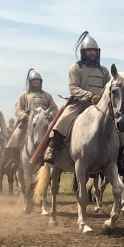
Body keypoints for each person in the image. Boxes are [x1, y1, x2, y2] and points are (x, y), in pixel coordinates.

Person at [44, 32, 111, 164]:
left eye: (94, 50)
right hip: (80, 104)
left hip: (100, 106)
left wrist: (102, 99)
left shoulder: (104, 70)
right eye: (89, 50)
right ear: (83, 52)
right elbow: (73, 88)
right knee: (63, 120)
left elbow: (108, 88)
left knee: (119, 124)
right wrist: (90, 96)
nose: (92, 53)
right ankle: (52, 148)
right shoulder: (76, 67)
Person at [6, 69, 58, 165]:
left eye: (37, 80)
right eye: (33, 80)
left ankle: (55, 159)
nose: (35, 81)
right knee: (15, 137)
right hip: (27, 122)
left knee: (56, 137)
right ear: (30, 82)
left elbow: (55, 109)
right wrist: (25, 116)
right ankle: (15, 161)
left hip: (44, 122)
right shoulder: (24, 95)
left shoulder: (47, 95)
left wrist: (51, 115)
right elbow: (17, 109)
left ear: (40, 82)